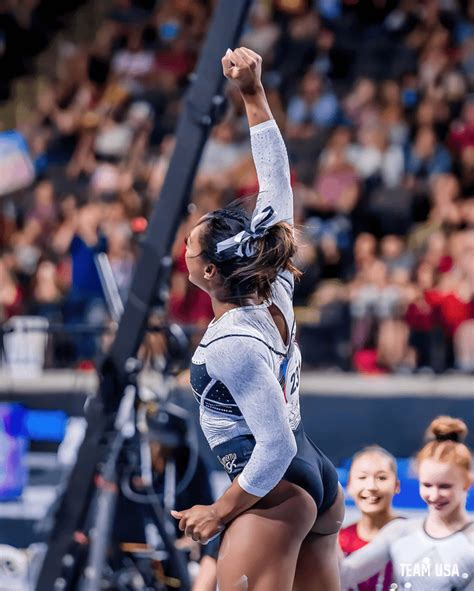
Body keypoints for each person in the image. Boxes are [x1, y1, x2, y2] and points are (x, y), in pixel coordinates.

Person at [170, 47, 344, 591]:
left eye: (190, 246)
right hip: (310, 481)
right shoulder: (276, 285)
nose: (185, 248)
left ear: (208, 273)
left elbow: (275, 447)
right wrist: (252, 94)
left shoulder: (232, 342)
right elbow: (276, 185)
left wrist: (218, 512)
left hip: (275, 486)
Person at [341, 416, 474, 591]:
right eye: (427, 485)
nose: (434, 495)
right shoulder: (400, 532)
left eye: (444, 486)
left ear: (467, 482)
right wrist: (327, 526)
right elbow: (344, 574)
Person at [339, 446, 402, 591]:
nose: (371, 486)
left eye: (381, 478)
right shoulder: (339, 541)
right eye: (362, 477)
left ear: (396, 486)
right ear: (349, 486)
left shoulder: (412, 536)